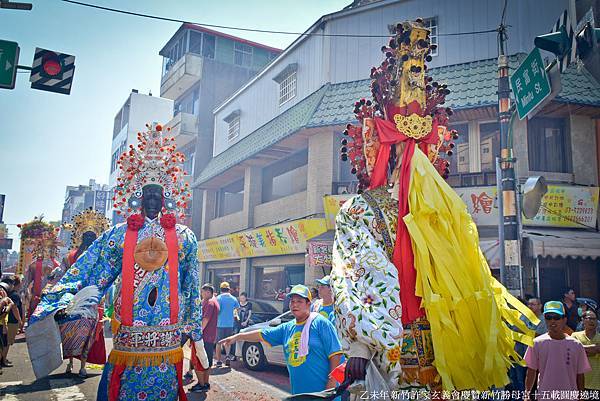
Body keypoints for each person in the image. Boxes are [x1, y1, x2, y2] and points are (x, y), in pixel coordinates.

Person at [332, 19, 537, 392]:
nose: (414, 157)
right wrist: (361, 343)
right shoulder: (362, 210)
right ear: (380, 151)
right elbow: (356, 273)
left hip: (445, 348)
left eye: (422, 150)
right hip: (393, 351)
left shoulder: (445, 212)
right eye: (403, 148)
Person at [27, 123, 208, 401]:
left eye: (156, 195)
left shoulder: (185, 237)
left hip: (167, 335)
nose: (151, 200)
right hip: (129, 334)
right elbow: (94, 271)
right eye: (146, 194)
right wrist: (65, 297)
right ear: (138, 196)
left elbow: (191, 285)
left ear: (165, 198)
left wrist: (194, 331)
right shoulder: (118, 235)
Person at [219, 285, 343, 395]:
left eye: (299, 301)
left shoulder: (321, 323)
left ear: (308, 304)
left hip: (323, 393)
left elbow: (336, 354)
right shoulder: (287, 327)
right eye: (292, 301)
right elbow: (262, 334)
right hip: (299, 393)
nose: (294, 304)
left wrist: (331, 385)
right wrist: (237, 337)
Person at [57, 208, 110, 378]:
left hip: (89, 301)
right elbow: (63, 275)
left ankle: (79, 364)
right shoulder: (72, 257)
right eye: (87, 236)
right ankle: (75, 363)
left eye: (91, 237)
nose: (89, 239)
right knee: (75, 332)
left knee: (84, 333)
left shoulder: (99, 258)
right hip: (79, 300)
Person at [524, 301, 591, 401]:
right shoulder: (536, 343)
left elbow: (580, 374)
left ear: (564, 320)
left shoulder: (576, 345)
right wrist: (527, 394)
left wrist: (581, 396)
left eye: (556, 317)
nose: (552, 321)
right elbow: (531, 371)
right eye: (548, 317)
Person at [190, 284, 219, 393]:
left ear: (207, 292)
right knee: (206, 361)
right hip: (209, 336)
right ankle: (205, 383)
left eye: (202, 292)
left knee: (200, 361)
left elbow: (205, 320)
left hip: (204, 337)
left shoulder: (210, 303)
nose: (201, 294)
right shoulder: (213, 301)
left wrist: (197, 333)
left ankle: (202, 384)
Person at [572, 310, 600, 390]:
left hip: (597, 383)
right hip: (579, 382)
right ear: (583, 320)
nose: (592, 321)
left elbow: (577, 350)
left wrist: (581, 349)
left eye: (594, 319)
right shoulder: (575, 336)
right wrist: (594, 350)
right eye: (589, 318)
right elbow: (573, 352)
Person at [215, 281, 239, 367]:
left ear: (221, 289)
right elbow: (237, 309)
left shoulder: (218, 298)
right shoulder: (234, 298)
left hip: (219, 324)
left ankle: (218, 361)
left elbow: (216, 311)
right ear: (228, 289)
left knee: (218, 343)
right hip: (230, 324)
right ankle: (227, 356)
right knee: (227, 341)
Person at [3, 277, 23, 366]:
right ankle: (3, 360)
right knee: (7, 343)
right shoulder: (15, 295)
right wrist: (19, 320)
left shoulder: (6, 293)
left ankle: (3, 359)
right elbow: (15, 308)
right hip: (11, 322)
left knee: (5, 342)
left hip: (6, 320)